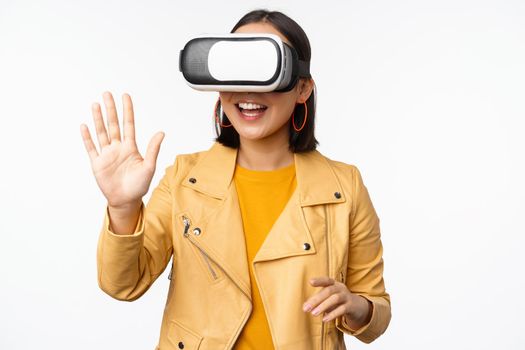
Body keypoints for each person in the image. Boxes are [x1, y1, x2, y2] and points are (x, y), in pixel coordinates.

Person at [80, 9, 391, 350]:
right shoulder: (185, 178)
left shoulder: (344, 187)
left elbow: (375, 312)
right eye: (236, 71)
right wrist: (122, 207)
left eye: (264, 71)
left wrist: (357, 307)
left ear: (302, 88)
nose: (248, 90)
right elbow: (123, 284)